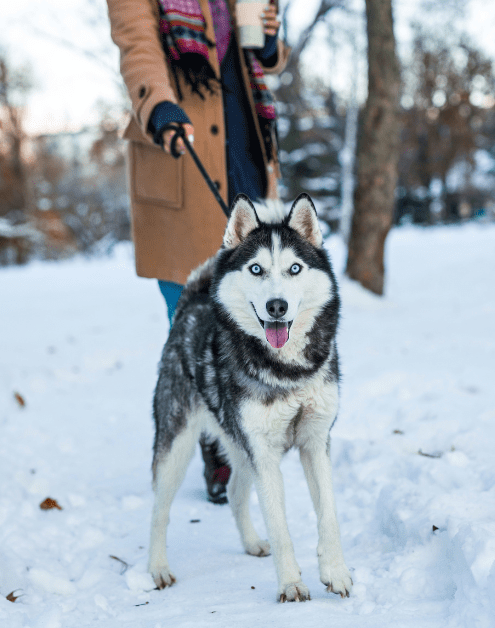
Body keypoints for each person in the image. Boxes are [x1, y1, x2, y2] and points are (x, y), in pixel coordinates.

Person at [107, 0, 289, 504]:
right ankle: (216, 447)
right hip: (179, 153)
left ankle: (254, 423)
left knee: (255, 304)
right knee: (193, 316)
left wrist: (271, 43)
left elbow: (268, 57)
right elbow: (138, 45)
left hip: (246, 153)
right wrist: (157, 103)